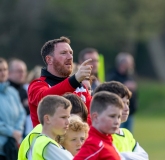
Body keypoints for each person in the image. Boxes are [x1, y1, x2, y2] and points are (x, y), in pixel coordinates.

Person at [28, 36, 92, 127]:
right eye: (63, 53)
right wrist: (75, 80)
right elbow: (46, 99)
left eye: (71, 53)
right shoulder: (37, 85)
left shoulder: (79, 86)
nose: (70, 57)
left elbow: (93, 115)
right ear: (49, 59)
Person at [94, 81, 149, 160]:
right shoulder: (99, 135)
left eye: (127, 103)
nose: (126, 108)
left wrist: (121, 155)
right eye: (121, 103)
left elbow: (144, 156)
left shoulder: (127, 134)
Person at [74, 91, 123, 160]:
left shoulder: (106, 139)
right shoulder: (94, 145)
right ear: (96, 117)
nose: (117, 121)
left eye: (119, 117)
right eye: (112, 116)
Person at [26, 95, 73, 160]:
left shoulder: (42, 140)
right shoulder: (47, 145)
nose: (68, 122)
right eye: (63, 117)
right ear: (47, 119)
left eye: (68, 117)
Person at [0, 58, 26, 160]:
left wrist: (18, 131)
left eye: (5, 69)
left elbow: (21, 114)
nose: (3, 73)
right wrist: (11, 132)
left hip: (13, 146)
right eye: (0, 70)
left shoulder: (13, 92)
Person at [107, 52, 138, 132]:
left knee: (128, 135)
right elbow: (110, 89)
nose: (132, 65)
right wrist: (125, 85)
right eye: (130, 63)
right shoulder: (112, 75)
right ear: (123, 64)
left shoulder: (130, 75)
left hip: (130, 112)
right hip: (118, 112)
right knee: (118, 133)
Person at [8, 58, 31, 136]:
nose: (22, 74)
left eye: (24, 71)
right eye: (19, 71)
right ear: (9, 73)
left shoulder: (23, 90)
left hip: (21, 133)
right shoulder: (5, 90)